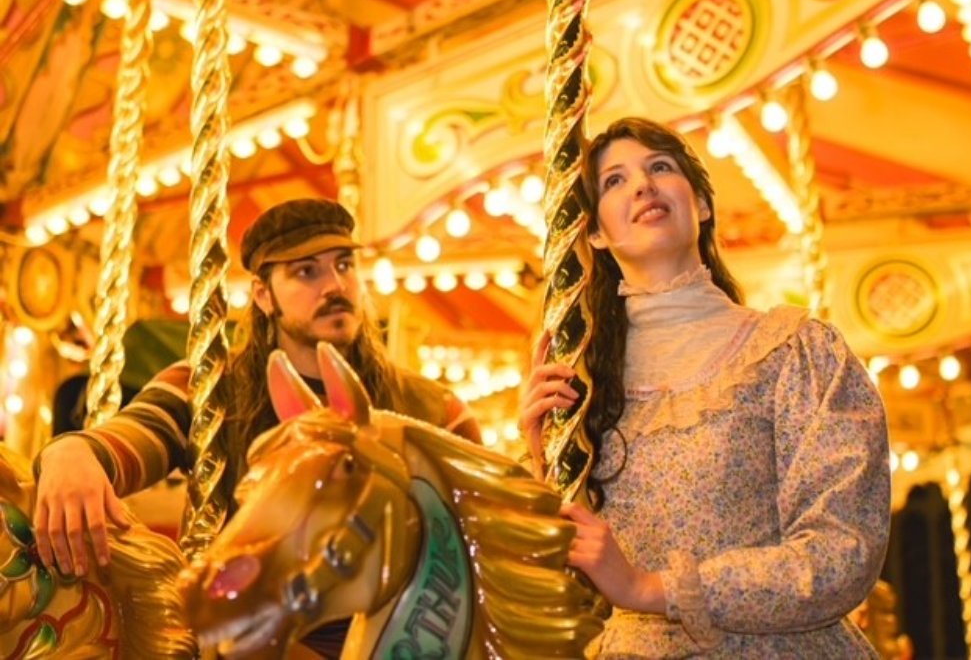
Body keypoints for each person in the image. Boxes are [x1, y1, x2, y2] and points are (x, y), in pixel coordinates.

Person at [33, 198, 481, 657]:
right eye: (306, 272)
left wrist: (538, 454)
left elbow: (490, 518)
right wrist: (75, 452)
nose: (335, 285)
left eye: (344, 264)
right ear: (263, 294)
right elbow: (137, 435)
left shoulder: (428, 407)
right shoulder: (211, 390)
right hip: (263, 638)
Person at [520, 117, 890, 658]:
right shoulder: (588, 385)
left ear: (703, 204)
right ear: (594, 233)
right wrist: (544, 457)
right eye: (614, 181)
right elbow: (564, 591)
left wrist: (652, 588)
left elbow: (841, 552)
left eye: (660, 167)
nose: (643, 185)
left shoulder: (794, 352)